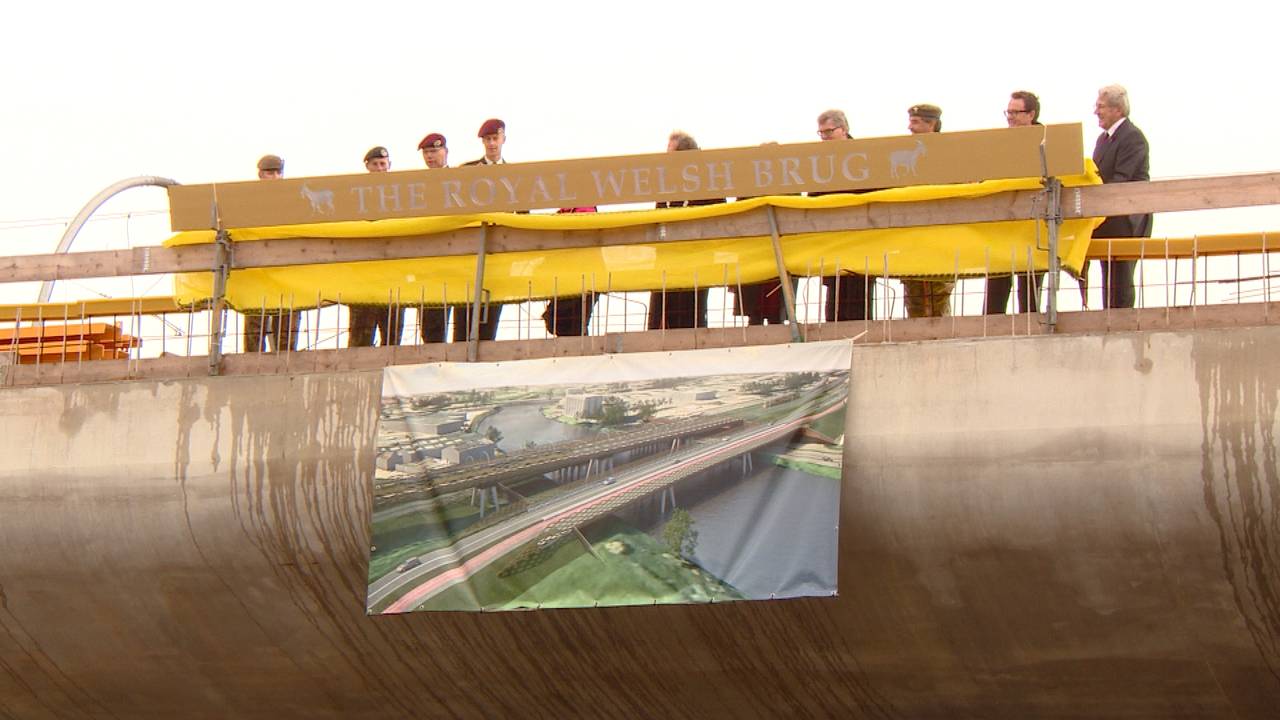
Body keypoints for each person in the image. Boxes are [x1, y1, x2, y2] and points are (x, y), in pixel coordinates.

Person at [649, 131, 721, 330]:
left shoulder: (708, 183)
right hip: (666, 262)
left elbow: (717, 221)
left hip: (696, 262)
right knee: (662, 320)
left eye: (670, 154)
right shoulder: (665, 184)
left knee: (691, 319)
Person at [811, 109, 875, 323]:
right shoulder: (818, 160)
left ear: (844, 129)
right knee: (834, 292)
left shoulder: (865, 155)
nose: (825, 137)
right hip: (832, 237)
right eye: (821, 133)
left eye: (829, 131)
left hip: (861, 236)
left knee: (859, 289)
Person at [1090, 84, 1151, 309]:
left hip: (1126, 219)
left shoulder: (1132, 137)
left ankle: (1121, 322)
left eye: (1101, 106)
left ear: (1117, 109)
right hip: (1108, 219)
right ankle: (1110, 318)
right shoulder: (1102, 140)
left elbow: (1122, 179)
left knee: (1121, 277)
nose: (1096, 111)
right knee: (1108, 275)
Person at [986, 91, 1046, 315]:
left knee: (1029, 281)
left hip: (1033, 223)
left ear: (1030, 114)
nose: (1010, 117)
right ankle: (991, 323)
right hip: (1003, 221)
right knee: (997, 277)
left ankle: (1030, 322)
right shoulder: (1000, 142)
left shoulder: (1046, 141)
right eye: (1008, 112)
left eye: (1015, 112)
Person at [243, 154, 302, 352]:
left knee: (286, 328)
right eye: (270, 173)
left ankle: (285, 364)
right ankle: (252, 365)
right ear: (260, 174)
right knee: (255, 325)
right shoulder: (247, 200)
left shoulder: (294, 199)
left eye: (278, 172)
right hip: (258, 271)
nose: (275, 177)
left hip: (287, 271)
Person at [347, 146, 405, 347]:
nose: (379, 169)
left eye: (383, 164)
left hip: (393, 275)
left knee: (392, 339)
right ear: (367, 167)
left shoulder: (403, 196)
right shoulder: (355, 197)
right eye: (375, 165)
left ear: (389, 166)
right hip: (364, 276)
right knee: (360, 338)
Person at [901, 104, 954, 318]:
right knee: (913, 291)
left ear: (931, 124)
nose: (909, 127)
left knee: (938, 291)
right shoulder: (904, 152)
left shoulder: (948, 153)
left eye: (915, 122)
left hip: (938, 235)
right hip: (912, 235)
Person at [460, 119, 509, 341]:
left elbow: (523, 214)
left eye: (495, 139)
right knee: (464, 314)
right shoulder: (469, 171)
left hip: (499, 252)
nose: (492, 144)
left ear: (503, 139)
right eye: (488, 140)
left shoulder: (516, 174)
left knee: (492, 309)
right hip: (470, 251)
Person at [415, 133, 456, 344]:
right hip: (429, 261)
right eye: (426, 153)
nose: (430, 156)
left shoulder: (461, 181)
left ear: (445, 152)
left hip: (458, 257)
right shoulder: (417, 186)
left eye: (434, 151)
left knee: (465, 326)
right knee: (432, 331)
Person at [542, 206, 599, 336]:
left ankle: (578, 351)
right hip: (567, 277)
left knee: (570, 323)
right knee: (563, 322)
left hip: (584, 277)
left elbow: (582, 229)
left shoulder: (584, 208)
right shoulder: (563, 212)